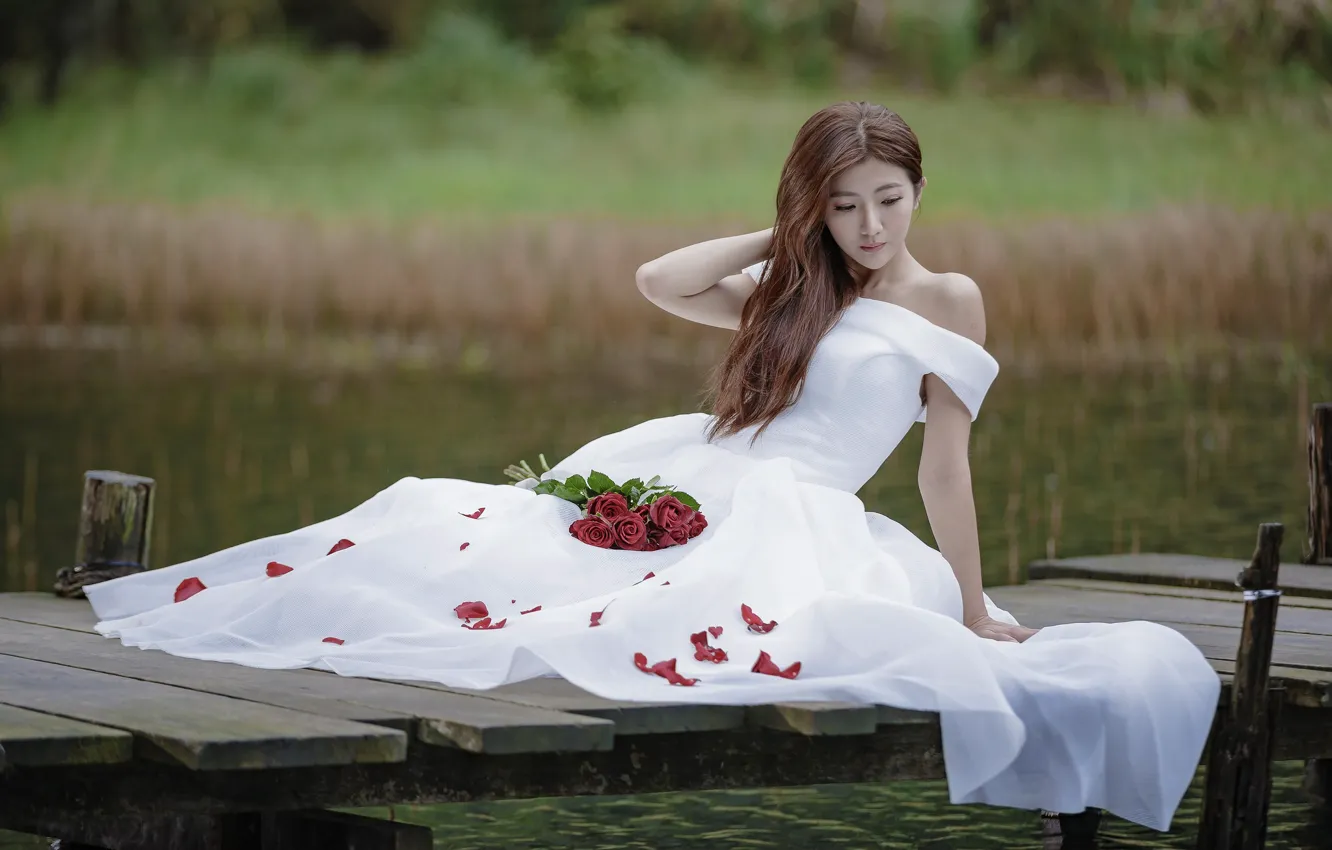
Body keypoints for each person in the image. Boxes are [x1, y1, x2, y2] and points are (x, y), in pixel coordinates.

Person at [84, 101, 1219, 832]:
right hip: (703, 465)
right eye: (844, 204)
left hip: (805, 508)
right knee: (477, 535)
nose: (871, 224)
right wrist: (784, 242)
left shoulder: (947, 300)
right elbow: (658, 280)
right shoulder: (798, 288)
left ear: (920, 191)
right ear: (813, 206)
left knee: (693, 606)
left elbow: (944, 472)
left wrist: (971, 604)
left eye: (889, 198)